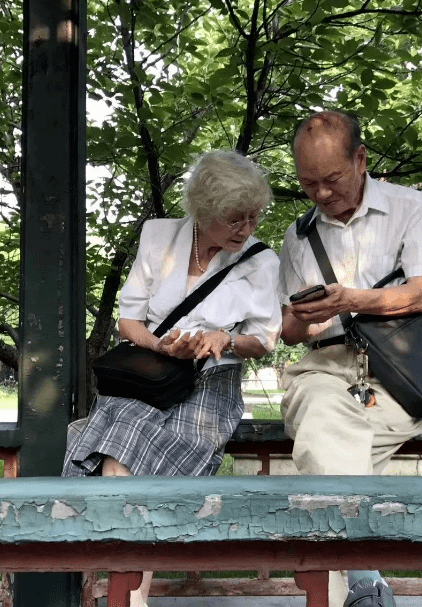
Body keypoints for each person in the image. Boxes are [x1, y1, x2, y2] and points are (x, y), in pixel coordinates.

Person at [62, 150, 282, 607]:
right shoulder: (160, 238)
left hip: (212, 384)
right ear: (204, 212)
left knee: (169, 447)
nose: (246, 229)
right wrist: (164, 346)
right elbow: (129, 321)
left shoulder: (262, 261)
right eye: (234, 219)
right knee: (121, 444)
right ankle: (131, 590)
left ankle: (126, 590)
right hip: (152, 375)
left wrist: (224, 339)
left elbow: (265, 339)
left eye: (253, 217)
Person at [278, 111, 422, 607]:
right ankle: (363, 577)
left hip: (400, 375)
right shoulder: (298, 235)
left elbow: (420, 295)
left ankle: (346, 581)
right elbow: (290, 334)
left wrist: (348, 299)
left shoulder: (411, 207)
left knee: (325, 442)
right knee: (320, 409)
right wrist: (302, 314)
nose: (321, 193)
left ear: (360, 159)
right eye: (308, 182)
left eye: (331, 179)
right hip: (324, 368)